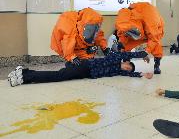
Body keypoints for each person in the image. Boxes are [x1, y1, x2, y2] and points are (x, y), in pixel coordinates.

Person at [7, 51, 153, 87]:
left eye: (129, 70)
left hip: (85, 73)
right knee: (59, 76)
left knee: (63, 75)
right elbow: (128, 53)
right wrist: (143, 54)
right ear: (126, 62)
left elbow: (132, 75)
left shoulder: (118, 71)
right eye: (129, 66)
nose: (128, 69)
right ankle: (24, 76)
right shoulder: (116, 57)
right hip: (86, 66)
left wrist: (142, 74)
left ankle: (25, 74)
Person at [115, 2, 164, 74]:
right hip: (138, 30)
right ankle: (126, 62)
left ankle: (157, 65)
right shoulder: (124, 19)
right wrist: (121, 42)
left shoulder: (150, 16)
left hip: (154, 30)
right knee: (125, 46)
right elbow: (124, 32)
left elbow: (154, 38)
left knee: (156, 46)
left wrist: (146, 52)